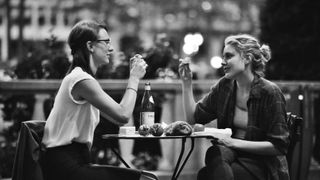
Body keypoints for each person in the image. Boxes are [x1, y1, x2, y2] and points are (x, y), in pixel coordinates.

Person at [41, 20, 154, 180]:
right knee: (145, 179)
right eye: (106, 42)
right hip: (65, 166)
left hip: (75, 161)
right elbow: (122, 115)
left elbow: (119, 117)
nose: (111, 48)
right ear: (90, 46)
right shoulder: (80, 79)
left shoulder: (82, 78)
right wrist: (134, 78)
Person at [179, 34, 290, 180]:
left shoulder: (270, 92)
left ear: (247, 58)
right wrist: (186, 83)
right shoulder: (225, 86)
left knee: (205, 175)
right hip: (230, 155)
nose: (223, 62)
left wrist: (234, 143)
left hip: (262, 163)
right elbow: (194, 117)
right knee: (215, 152)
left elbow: (279, 146)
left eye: (229, 56)